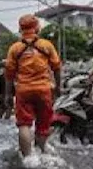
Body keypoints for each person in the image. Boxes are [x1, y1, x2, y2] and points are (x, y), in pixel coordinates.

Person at [4, 14, 62, 157]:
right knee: (43, 124)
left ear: (20, 29)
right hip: (44, 90)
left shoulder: (15, 48)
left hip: (23, 91)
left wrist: (7, 94)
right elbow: (57, 67)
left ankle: (28, 158)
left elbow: (9, 74)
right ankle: (42, 154)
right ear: (37, 28)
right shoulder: (46, 45)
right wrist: (58, 87)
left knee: (24, 124)